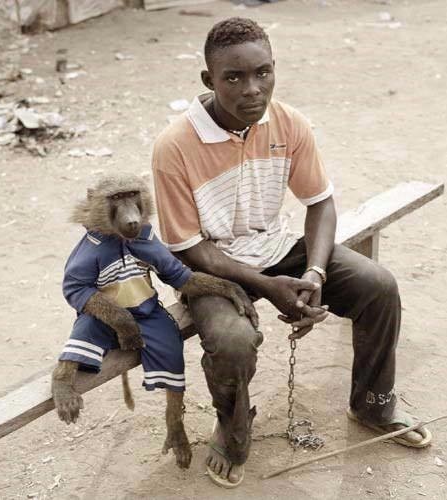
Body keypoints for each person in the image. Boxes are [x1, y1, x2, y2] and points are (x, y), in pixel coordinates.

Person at [151, 17, 432, 488]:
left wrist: (316, 273)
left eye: (263, 73)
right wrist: (266, 286)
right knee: (233, 341)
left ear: (274, 69)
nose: (252, 89)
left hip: (278, 247)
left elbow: (320, 202)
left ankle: (374, 405)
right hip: (214, 267)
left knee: (378, 286)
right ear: (209, 80)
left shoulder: (288, 122)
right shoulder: (174, 146)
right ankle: (233, 428)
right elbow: (188, 247)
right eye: (233, 77)